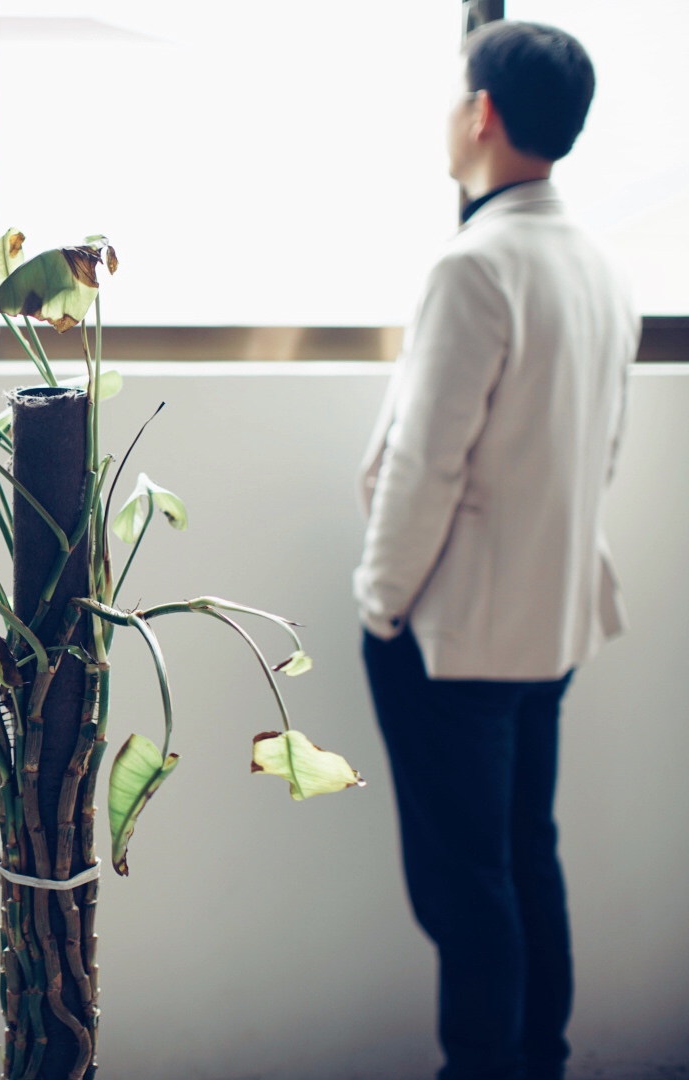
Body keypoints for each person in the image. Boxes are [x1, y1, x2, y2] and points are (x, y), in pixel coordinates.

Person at [354, 19, 637, 1080]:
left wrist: (379, 601)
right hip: (549, 623)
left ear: (479, 112)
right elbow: (599, 452)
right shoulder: (597, 268)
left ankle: (482, 1069)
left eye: (451, 95)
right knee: (524, 859)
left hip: (452, 633)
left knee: (466, 889)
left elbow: (425, 463)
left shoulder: (474, 268)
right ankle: (538, 1062)